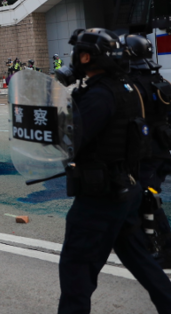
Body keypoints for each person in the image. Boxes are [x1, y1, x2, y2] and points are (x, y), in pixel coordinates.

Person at [58, 28, 171, 314]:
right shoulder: (125, 87)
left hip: (101, 196)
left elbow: (72, 140)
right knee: (139, 258)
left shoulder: (99, 95)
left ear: (85, 57)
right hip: (126, 188)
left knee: (77, 271)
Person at [125, 34, 171, 268]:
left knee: (147, 196)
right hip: (161, 148)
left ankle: (164, 248)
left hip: (147, 152)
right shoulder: (158, 79)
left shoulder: (131, 85)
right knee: (147, 195)